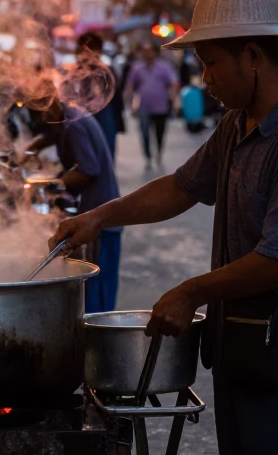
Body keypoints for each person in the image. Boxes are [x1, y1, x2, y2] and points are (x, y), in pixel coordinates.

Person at [52, 0, 278, 455]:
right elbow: (181, 187)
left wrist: (191, 292)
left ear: (252, 55)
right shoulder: (236, 123)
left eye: (211, 65)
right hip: (240, 349)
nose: (204, 80)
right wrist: (100, 217)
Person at [31, 87, 123, 313]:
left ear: (51, 104)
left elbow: (89, 168)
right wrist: (30, 148)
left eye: (42, 112)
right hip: (98, 212)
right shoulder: (68, 116)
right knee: (96, 287)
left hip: (100, 214)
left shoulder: (74, 124)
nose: (42, 119)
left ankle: (96, 335)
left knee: (96, 289)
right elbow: (51, 135)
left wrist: (54, 183)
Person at [128, 44, 179, 171]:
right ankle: (148, 157)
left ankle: (159, 154)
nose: (147, 54)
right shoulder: (137, 68)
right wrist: (131, 104)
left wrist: (174, 99)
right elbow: (130, 87)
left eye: (149, 51)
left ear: (155, 53)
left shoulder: (164, 67)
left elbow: (173, 83)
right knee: (144, 133)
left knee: (160, 132)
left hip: (160, 106)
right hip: (143, 107)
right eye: (144, 52)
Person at [77, 31, 126, 158]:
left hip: (104, 117)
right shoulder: (75, 72)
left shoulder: (106, 71)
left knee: (105, 154)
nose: (83, 54)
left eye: (88, 50)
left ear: (98, 51)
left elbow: (117, 100)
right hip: (82, 120)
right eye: (81, 50)